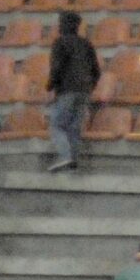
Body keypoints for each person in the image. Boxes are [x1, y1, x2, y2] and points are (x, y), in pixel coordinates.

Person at [46, 11, 101, 172]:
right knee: (74, 128)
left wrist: (50, 87)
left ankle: (65, 157)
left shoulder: (60, 43)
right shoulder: (86, 44)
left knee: (57, 125)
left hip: (67, 90)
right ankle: (73, 163)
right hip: (84, 90)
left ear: (63, 25)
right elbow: (96, 70)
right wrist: (89, 86)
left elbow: (57, 68)